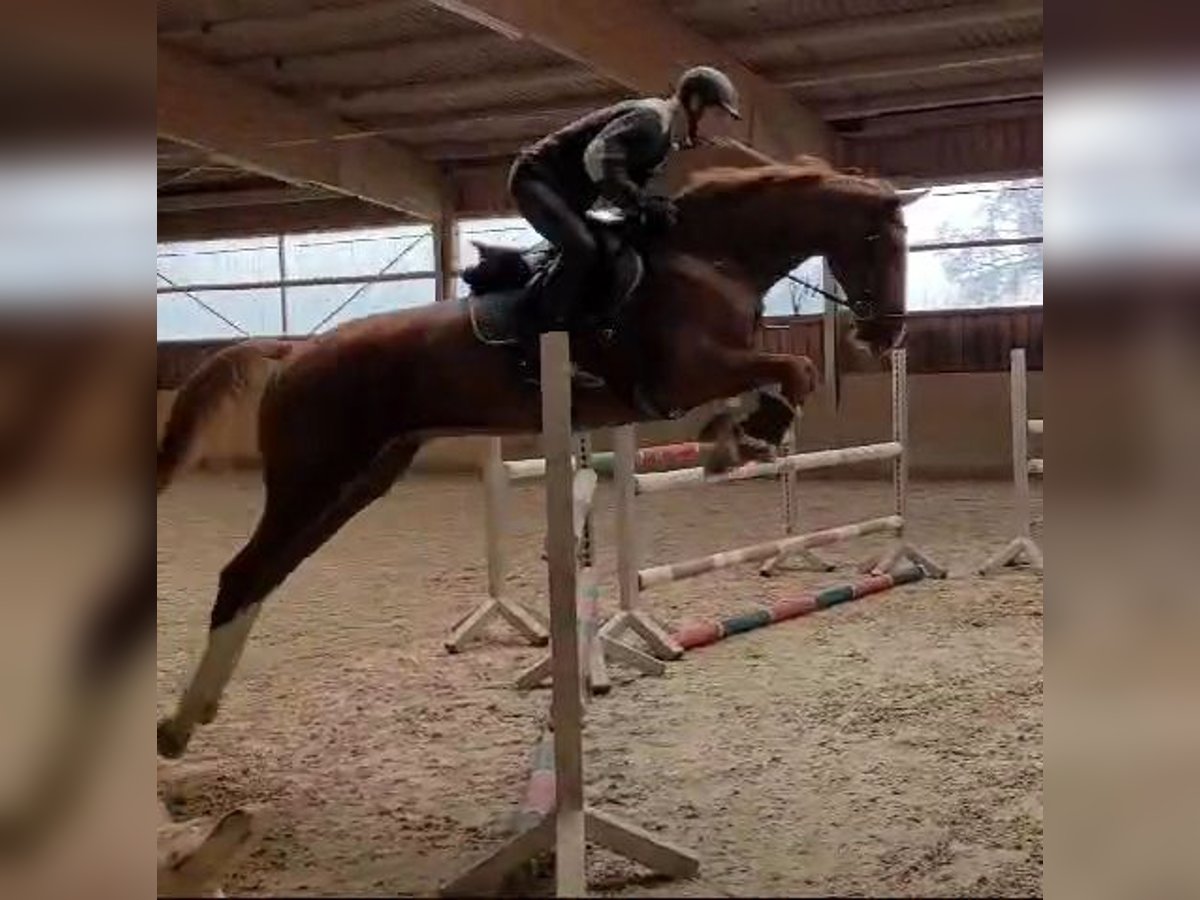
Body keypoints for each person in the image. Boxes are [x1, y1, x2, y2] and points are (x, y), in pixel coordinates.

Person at [507, 65, 741, 383]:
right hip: (536, 181)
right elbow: (598, 157)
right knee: (583, 248)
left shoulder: (666, 140)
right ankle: (532, 343)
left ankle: (586, 334)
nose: (722, 130)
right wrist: (640, 204)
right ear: (696, 104)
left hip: (567, 196)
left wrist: (656, 210)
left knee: (617, 248)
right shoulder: (652, 121)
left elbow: (633, 187)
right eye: (719, 116)